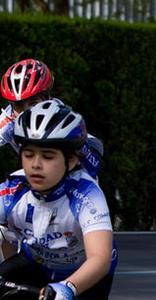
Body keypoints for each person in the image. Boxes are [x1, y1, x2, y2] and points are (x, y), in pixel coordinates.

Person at [0, 100, 117, 299]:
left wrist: (69, 287)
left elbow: (100, 257)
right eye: (28, 154)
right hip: (34, 262)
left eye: (48, 156)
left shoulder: (87, 194)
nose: (35, 165)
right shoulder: (12, 190)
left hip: (83, 270)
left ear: (71, 160)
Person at [0, 59, 104, 179]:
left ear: (47, 98)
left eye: (33, 103)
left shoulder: (60, 114)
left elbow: (95, 162)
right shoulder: (7, 121)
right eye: (18, 105)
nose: (25, 111)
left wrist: (81, 146)